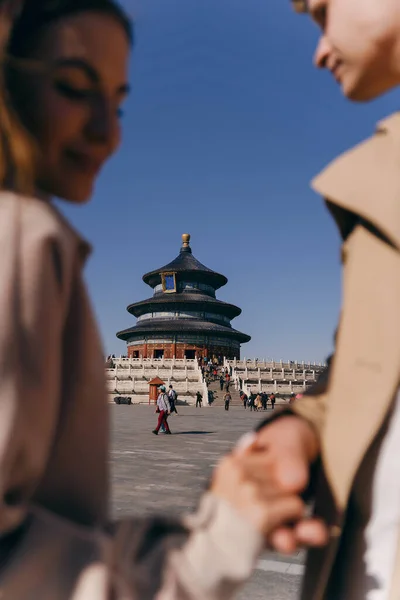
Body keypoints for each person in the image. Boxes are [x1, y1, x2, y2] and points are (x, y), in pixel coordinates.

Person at [0, 2, 317, 598]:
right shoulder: (18, 236)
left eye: (119, 103)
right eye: (72, 87)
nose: (109, 130)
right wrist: (220, 538)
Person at [248, 1, 400, 598]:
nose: (318, 51)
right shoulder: (379, 175)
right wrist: (300, 428)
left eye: (322, 12)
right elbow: (372, 364)